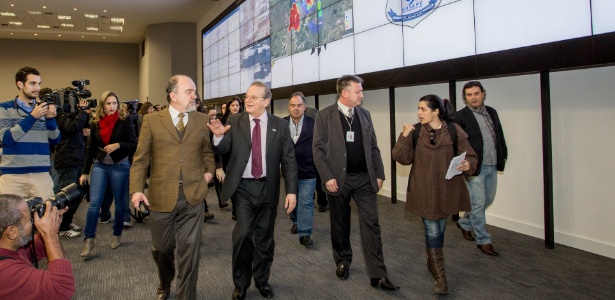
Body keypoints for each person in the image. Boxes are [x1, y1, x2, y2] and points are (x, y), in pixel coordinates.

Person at [208, 81, 297, 300]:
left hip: (269, 187)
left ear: (266, 101)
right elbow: (222, 147)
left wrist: (292, 191)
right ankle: (240, 284)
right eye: (247, 96)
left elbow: (288, 160)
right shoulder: (235, 121)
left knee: (265, 239)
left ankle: (262, 279)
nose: (247, 100)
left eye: (253, 97)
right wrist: (218, 136)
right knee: (243, 235)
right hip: (243, 188)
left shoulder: (280, 125)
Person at [130, 75, 215, 300]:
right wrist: (137, 189)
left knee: (190, 252)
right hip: (160, 196)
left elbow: (207, 151)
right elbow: (141, 159)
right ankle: (165, 281)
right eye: (189, 91)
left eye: (194, 91)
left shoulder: (201, 119)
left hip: (193, 196)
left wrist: (209, 170)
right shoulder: (152, 121)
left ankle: (185, 296)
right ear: (173, 96)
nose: (194, 95)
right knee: (162, 250)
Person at [312, 75, 399, 291]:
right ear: (344, 93)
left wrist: (379, 173)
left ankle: (378, 273)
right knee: (340, 223)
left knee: (372, 223)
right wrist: (327, 176)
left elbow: (373, 147)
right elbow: (318, 150)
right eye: (358, 91)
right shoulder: (325, 116)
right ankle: (343, 260)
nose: (362, 95)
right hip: (338, 179)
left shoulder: (365, 114)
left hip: (364, 179)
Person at [392, 94, 478, 295]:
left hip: (448, 190)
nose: (419, 113)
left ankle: (432, 261)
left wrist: (467, 164)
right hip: (424, 190)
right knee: (432, 229)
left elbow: (471, 156)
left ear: (436, 111)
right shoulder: (415, 132)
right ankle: (441, 278)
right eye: (418, 108)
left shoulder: (454, 131)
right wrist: (404, 136)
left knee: (439, 229)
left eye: (423, 109)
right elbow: (401, 158)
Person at [78, 91, 137, 257]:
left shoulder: (125, 121)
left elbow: (133, 143)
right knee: (94, 204)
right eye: (109, 103)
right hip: (100, 166)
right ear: (103, 105)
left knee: (119, 202)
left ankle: (117, 233)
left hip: (120, 166)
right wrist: (84, 172)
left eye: (114, 103)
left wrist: (118, 145)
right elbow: (89, 149)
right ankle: (88, 240)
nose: (112, 107)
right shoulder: (95, 122)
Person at [455, 81, 508, 256]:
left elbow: (498, 134)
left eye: (476, 93)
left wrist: (504, 154)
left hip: (493, 163)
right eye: (469, 95)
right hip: (474, 167)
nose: (473, 97)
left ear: (483, 94)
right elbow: (455, 143)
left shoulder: (491, 112)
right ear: (465, 97)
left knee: (488, 199)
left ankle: (465, 224)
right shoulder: (460, 117)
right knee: (477, 203)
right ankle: (483, 240)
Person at [0, 194, 76, 300]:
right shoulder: (6, 273)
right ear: (12, 232)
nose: (33, 222)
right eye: (29, 219)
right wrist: (51, 234)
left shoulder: (9, 246)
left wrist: (50, 226)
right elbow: (61, 290)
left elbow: (36, 249)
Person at [0, 67, 60, 199]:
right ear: (20, 84)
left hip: (41, 174)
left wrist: (50, 120)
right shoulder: (4, 108)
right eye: (32, 83)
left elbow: (55, 140)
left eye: (39, 83)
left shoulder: (43, 109)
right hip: (12, 176)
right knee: (11, 218)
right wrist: (32, 116)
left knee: (47, 214)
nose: (37, 88)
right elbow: (6, 138)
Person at [53, 98, 92, 238]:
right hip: (67, 161)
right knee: (67, 196)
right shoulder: (59, 114)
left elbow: (74, 131)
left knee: (78, 194)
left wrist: (84, 132)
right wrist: (82, 112)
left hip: (76, 160)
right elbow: (72, 127)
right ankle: (61, 227)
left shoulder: (73, 116)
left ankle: (67, 221)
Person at [284, 92, 317, 246]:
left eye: (299, 105)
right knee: (292, 200)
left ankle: (304, 233)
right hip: (289, 172)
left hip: (308, 170)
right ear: (288, 107)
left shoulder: (314, 123)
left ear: (305, 107)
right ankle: (295, 221)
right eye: (293, 105)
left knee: (306, 201)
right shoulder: (281, 124)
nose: (296, 108)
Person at [219, 95, 244, 220]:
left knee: (242, 184)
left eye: (237, 105)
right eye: (233, 105)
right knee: (233, 184)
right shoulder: (224, 120)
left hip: (241, 155)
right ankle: (235, 209)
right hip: (228, 156)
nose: (235, 107)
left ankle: (241, 209)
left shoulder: (245, 119)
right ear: (229, 107)